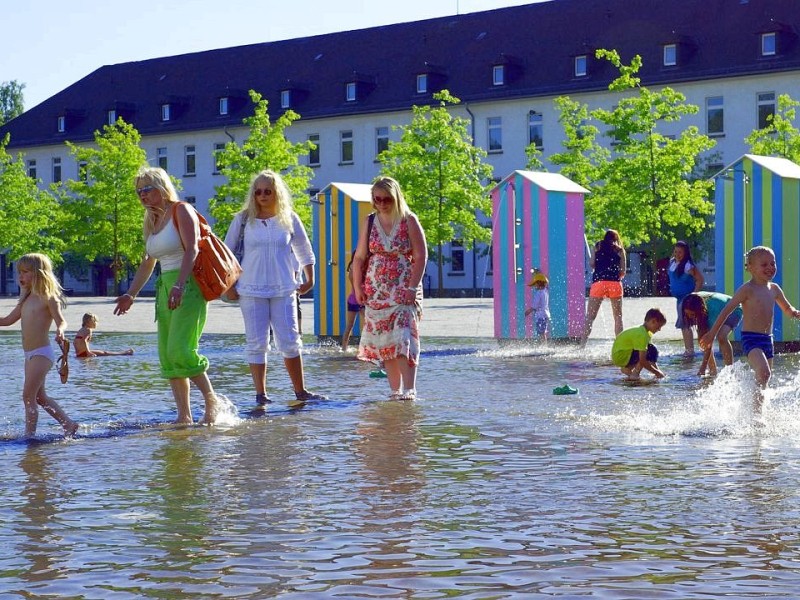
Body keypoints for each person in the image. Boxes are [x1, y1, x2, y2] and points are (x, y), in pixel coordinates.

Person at [113, 166, 220, 425]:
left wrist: (180, 285)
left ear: (161, 187)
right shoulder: (151, 220)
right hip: (164, 289)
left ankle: (211, 400)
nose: (142, 196)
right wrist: (130, 294)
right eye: (138, 192)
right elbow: (148, 263)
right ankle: (184, 415)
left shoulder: (180, 210)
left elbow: (192, 248)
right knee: (168, 354)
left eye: (146, 190)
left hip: (187, 286)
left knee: (181, 349)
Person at [223, 169, 326, 408]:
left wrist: (310, 278)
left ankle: (300, 391)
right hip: (250, 289)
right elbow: (227, 254)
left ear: (276, 192)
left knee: (290, 340)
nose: (262, 195)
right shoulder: (242, 219)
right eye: (257, 191)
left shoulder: (289, 218)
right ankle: (261, 394)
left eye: (267, 191)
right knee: (256, 342)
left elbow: (304, 250)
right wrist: (229, 286)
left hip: (284, 288)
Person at [352, 176, 427, 401]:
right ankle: (395, 390)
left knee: (404, 337)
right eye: (378, 199)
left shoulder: (408, 220)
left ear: (396, 198)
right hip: (376, 288)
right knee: (385, 341)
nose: (382, 203)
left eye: (387, 199)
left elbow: (421, 255)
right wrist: (358, 287)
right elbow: (359, 257)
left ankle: (410, 388)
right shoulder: (370, 221)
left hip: (404, 287)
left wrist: (413, 287)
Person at [700, 246, 800, 414]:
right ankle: (752, 414)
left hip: (768, 340)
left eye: (772, 263)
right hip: (751, 339)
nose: (770, 267)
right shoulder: (747, 289)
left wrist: (796, 313)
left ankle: (755, 413)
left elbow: (788, 309)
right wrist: (711, 334)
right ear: (750, 268)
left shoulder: (774, 289)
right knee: (764, 372)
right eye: (764, 264)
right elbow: (727, 310)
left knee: (764, 379)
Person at [0, 253, 79, 438]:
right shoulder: (25, 299)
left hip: (42, 354)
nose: (20, 276)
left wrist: (60, 331)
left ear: (39, 273)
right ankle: (68, 424)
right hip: (29, 355)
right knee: (39, 398)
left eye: (25, 272)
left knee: (27, 396)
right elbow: (7, 320)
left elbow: (62, 321)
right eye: (19, 272)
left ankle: (30, 436)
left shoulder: (48, 297)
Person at [580, 229, 626, 346]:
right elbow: (622, 272)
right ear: (616, 238)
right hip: (615, 283)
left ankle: (582, 345)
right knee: (618, 317)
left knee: (590, 317)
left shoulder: (597, 246)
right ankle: (620, 345)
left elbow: (592, 264)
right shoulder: (620, 250)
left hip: (598, 283)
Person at [681, 292, 742, 377]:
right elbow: (703, 341)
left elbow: (709, 341)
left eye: (692, 315)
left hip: (734, 310)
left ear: (699, 311)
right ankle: (713, 371)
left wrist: (702, 368)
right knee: (702, 339)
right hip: (717, 307)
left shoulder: (711, 310)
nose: (690, 317)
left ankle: (730, 371)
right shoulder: (690, 301)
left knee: (721, 336)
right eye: (687, 314)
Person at [668, 241, 705, 356]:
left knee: (685, 323)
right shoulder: (672, 263)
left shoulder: (688, 265)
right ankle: (688, 349)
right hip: (679, 299)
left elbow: (700, 280)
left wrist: (694, 295)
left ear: (685, 253)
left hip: (687, 299)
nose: (677, 254)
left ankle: (690, 351)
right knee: (683, 324)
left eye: (680, 252)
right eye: (675, 251)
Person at [611, 307, 667, 380]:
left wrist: (658, 372)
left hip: (621, 355)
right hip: (621, 357)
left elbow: (651, 357)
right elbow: (642, 360)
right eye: (659, 326)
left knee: (651, 349)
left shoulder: (644, 331)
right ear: (653, 321)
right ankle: (635, 374)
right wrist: (657, 373)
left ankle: (627, 368)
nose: (659, 329)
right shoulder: (642, 334)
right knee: (649, 350)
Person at [341, 251, 365, 352]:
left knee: (349, 325)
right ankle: (364, 348)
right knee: (368, 324)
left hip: (353, 298)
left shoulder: (351, 267)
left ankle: (344, 348)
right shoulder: (356, 268)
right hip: (361, 299)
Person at [524, 270, 550, 341]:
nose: (535, 286)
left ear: (539, 284)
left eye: (536, 284)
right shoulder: (545, 291)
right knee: (543, 332)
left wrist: (528, 311)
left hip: (540, 315)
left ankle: (543, 346)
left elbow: (534, 305)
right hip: (546, 314)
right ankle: (544, 345)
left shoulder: (539, 293)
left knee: (541, 332)